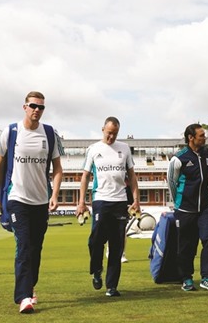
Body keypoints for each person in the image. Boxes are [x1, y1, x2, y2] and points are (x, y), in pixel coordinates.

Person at [0, 91, 64, 313]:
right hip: (17, 199)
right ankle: (23, 297)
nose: (37, 110)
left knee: (35, 248)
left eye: (41, 107)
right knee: (23, 246)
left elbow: (58, 169)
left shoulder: (50, 134)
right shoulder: (11, 132)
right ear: (25, 107)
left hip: (40, 201)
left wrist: (54, 195)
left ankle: (30, 288)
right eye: (33, 106)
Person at [76, 117, 140, 297]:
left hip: (120, 202)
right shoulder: (94, 149)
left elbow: (132, 177)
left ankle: (112, 286)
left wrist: (135, 199)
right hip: (101, 200)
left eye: (115, 133)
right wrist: (81, 202)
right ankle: (97, 270)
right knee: (95, 240)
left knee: (117, 245)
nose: (111, 136)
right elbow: (85, 176)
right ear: (103, 129)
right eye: (109, 132)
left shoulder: (125, 149)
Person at [168, 123, 208, 292]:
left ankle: (207, 277)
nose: (204, 138)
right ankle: (186, 278)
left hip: (205, 207)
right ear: (191, 138)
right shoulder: (178, 158)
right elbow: (171, 182)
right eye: (201, 136)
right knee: (187, 246)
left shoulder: (207, 154)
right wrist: (179, 202)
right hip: (185, 209)